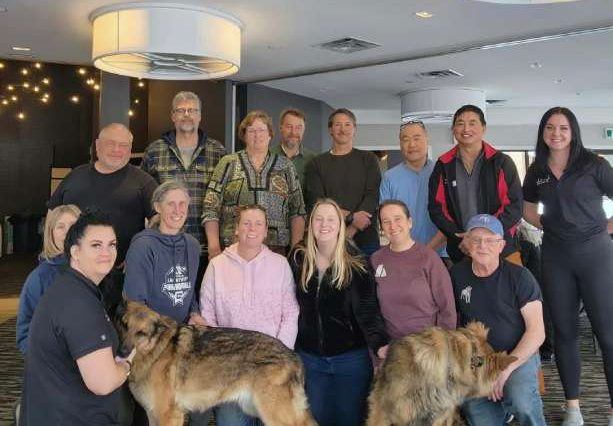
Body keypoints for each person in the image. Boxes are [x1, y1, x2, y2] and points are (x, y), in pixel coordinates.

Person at [523, 107, 613, 426]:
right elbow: (527, 206)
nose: (556, 133)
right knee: (564, 332)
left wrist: (605, 228)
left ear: (573, 131)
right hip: (557, 256)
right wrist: (548, 223)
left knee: (608, 334)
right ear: (543, 132)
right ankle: (573, 407)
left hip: (596, 255)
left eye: (563, 128)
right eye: (550, 127)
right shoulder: (537, 170)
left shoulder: (594, 165)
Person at [19, 211, 135, 425]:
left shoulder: (71, 289)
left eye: (112, 244)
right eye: (96, 245)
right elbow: (103, 382)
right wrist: (127, 363)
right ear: (75, 252)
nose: (107, 252)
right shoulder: (78, 304)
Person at [289, 198, 389, 426]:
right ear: (310, 224)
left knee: (350, 420)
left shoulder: (358, 263)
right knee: (314, 420)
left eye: (331, 219)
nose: (324, 224)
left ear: (341, 224)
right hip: (310, 360)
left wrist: (380, 345)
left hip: (350, 360)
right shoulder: (298, 258)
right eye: (318, 219)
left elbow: (368, 310)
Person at [200, 204, 299, 426]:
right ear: (236, 228)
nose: (251, 229)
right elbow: (207, 316)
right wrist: (224, 357)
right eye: (246, 223)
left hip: (272, 368)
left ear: (265, 231)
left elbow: (290, 312)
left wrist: (278, 356)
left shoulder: (280, 265)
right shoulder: (217, 266)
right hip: (230, 371)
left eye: (258, 224)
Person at [48, 123, 158, 312]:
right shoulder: (75, 176)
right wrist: (50, 254)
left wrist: (137, 254)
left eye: (123, 145)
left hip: (121, 277)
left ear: (130, 150)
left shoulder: (144, 181)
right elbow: (52, 217)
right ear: (97, 146)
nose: (117, 150)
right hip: (72, 272)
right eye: (111, 143)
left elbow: (159, 221)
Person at [123, 180, 207, 425]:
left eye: (183, 204)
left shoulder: (192, 245)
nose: (178, 210)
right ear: (158, 207)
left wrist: (194, 312)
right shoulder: (142, 244)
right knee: (158, 411)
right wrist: (167, 337)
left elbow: (189, 290)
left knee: (194, 409)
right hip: (152, 341)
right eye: (171, 204)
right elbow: (136, 304)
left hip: (182, 340)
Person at [451, 214, 546, 425]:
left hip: (517, 354)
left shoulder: (520, 277)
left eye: (490, 240)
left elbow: (537, 331)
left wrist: (505, 369)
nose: (482, 246)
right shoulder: (456, 275)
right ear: (466, 243)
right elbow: (451, 322)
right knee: (476, 413)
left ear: (501, 245)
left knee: (521, 401)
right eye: (475, 239)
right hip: (478, 359)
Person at [141, 91, 226, 276]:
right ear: (173, 116)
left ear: (200, 116)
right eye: (180, 110)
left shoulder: (217, 151)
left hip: (206, 249)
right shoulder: (155, 150)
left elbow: (224, 199)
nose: (186, 115)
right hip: (164, 245)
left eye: (192, 110)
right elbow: (144, 196)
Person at [428, 105, 523, 264]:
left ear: (483, 128)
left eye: (472, 123)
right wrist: (461, 236)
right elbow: (437, 208)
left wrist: (483, 237)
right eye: (460, 123)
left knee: (512, 288)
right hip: (462, 249)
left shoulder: (501, 162)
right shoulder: (443, 165)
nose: (466, 128)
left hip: (501, 248)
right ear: (453, 129)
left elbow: (514, 206)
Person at [203, 110, 306, 257]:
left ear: (270, 134)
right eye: (251, 131)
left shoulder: (285, 166)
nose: (257, 135)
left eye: (262, 130)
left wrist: (296, 251)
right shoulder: (228, 163)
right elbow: (210, 206)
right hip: (234, 248)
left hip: (276, 251)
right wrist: (213, 246)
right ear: (244, 135)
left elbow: (298, 211)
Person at [371, 199, 456, 342]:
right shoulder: (376, 260)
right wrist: (377, 349)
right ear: (381, 227)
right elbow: (370, 309)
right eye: (386, 221)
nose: (393, 226)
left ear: (409, 222)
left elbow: (447, 307)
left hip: (427, 347)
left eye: (398, 219)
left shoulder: (429, 258)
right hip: (392, 350)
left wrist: (441, 346)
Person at [305, 108, 381, 256]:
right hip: (329, 239)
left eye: (347, 124)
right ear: (330, 130)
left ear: (355, 129)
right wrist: (351, 217)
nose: (343, 129)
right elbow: (318, 203)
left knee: (368, 279)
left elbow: (373, 195)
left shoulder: (369, 159)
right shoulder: (316, 164)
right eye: (338, 124)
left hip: (367, 240)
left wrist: (351, 230)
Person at [16, 204, 81, 354]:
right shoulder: (39, 278)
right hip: (53, 366)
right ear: (50, 233)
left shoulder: (95, 273)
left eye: (73, 225)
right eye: (60, 227)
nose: (67, 232)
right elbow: (25, 334)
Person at [379, 120, 447, 258]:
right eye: (406, 140)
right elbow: (386, 219)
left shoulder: (442, 173)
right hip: (402, 255)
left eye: (417, 138)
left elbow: (450, 217)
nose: (412, 144)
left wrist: (427, 251)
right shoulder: (389, 178)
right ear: (400, 145)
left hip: (440, 254)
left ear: (426, 139)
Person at [270, 108, 317, 191]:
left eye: (298, 127)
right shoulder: (268, 156)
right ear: (281, 128)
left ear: (304, 130)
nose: (293, 132)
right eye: (289, 126)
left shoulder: (313, 160)